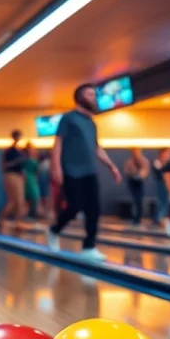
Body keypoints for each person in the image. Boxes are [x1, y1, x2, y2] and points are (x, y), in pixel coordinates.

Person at [47, 84, 121, 260]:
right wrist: (56, 167)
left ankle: (89, 246)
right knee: (75, 206)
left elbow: (96, 148)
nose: (94, 98)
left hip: (90, 171)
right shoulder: (68, 118)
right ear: (80, 97)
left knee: (93, 209)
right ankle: (53, 230)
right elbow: (57, 143)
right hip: (72, 171)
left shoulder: (91, 123)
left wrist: (111, 166)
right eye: (90, 94)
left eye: (94, 95)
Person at [1, 130, 27, 230]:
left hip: (14, 176)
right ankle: (17, 223)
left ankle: (4, 220)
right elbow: (5, 165)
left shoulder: (16, 151)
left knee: (13, 202)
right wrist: (17, 161)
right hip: (13, 175)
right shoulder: (11, 151)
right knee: (19, 201)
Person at [150, 148, 170, 236]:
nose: (169, 155)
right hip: (162, 184)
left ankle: (160, 218)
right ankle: (159, 218)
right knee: (163, 202)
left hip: (161, 183)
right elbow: (167, 176)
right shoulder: (161, 163)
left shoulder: (163, 163)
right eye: (168, 153)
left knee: (163, 202)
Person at [123, 148, 149, 225]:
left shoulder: (143, 161)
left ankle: (138, 217)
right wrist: (133, 172)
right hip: (132, 182)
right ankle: (134, 217)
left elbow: (145, 171)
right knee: (134, 200)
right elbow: (126, 171)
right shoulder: (130, 161)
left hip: (139, 182)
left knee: (139, 200)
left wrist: (140, 174)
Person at [22, 143, 41, 219]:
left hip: (31, 179)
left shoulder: (30, 159)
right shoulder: (27, 160)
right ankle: (31, 215)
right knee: (34, 196)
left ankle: (31, 214)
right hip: (29, 179)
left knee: (33, 197)